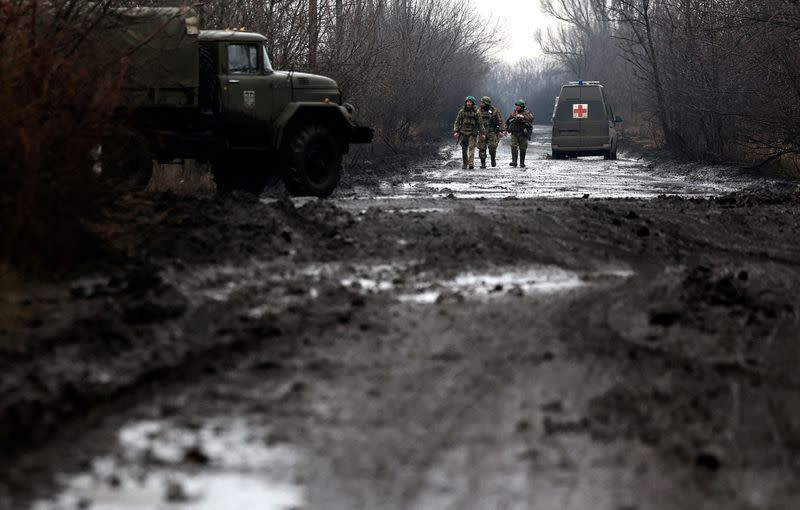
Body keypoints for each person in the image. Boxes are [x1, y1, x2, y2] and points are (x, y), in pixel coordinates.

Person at [453, 96, 486, 169]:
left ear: (472, 103)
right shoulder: (462, 111)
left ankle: (471, 163)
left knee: (471, 148)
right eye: (467, 102)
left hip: (472, 132)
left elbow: (480, 123)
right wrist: (456, 131)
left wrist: (482, 133)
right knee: (464, 148)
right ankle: (465, 163)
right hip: (464, 132)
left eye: (470, 102)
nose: (468, 103)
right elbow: (457, 121)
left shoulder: (476, 112)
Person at [477, 96, 505, 168]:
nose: (481, 103)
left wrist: (502, 130)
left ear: (486, 103)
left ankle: (493, 159)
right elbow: (475, 121)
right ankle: (483, 163)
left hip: (491, 131)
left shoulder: (494, 110)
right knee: (481, 147)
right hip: (482, 132)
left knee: (492, 147)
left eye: (482, 102)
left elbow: (500, 121)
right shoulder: (479, 111)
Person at [506, 99, 534, 167]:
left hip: (523, 133)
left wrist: (523, 117)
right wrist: (506, 129)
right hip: (514, 132)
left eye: (518, 106)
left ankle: (522, 162)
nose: (516, 107)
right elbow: (508, 121)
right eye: (516, 106)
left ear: (522, 106)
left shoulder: (527, 113)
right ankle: (514, 161)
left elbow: (531, 119)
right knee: (513, 146)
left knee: (523, 147)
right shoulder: (513, 112)